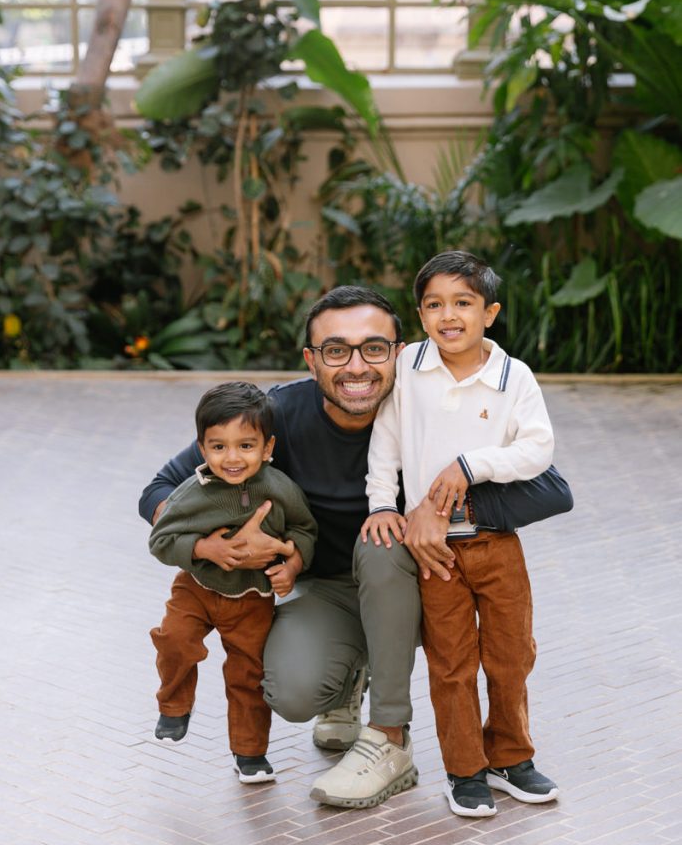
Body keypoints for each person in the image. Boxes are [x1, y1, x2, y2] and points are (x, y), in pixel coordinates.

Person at [139, 285, 572, 810]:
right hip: (326, 591)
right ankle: (348, 678)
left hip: (419, 586)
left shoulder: (433, 402)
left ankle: (389, 737)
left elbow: (553, 489)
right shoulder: (273, 416)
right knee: (293, 690)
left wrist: (443, 509)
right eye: (336, 350)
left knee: (382, 541)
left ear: (399, 352)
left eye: (374, 348)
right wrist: (212, 544)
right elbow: (159, 491)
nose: (357, 366)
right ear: (311, 360)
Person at [365, 250, 563, 819]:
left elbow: (537, 449)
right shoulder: (408, 367)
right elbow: (386, 440)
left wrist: (470, 466)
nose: (448, 316)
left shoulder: (513, 376)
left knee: (512, 654)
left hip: (495, 540)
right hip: (434, 551)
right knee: (451, 662)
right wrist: (383, 505)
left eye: (463, 303)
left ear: (489, 313)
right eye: (434, 305)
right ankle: (465, 770)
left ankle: (510, 757)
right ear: (421, 315)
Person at [148, 381, 317, 784]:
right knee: (174, 639)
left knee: (248, 675)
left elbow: (304, 530)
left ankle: (250, 752)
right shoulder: (193, 492)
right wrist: (204, 548)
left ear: (267, 447)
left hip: (252, 599)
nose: (233, 457)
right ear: (202, 449)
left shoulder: (280, 489)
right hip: (196, 589)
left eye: (246, 445)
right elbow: (160, 540)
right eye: (219, 446)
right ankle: (174, 706)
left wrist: (292, 565)